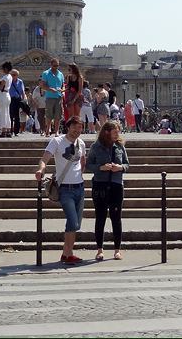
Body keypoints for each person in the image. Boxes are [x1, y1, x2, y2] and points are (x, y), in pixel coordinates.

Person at [35, 116, 87, 264]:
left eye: (80, 128)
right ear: (68, 127)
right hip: (65, 189)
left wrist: (78, 175)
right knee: (72, 220)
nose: (77, 131)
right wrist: (41, 170)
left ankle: (66, 253)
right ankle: (68, 254)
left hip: (79, 187)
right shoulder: (57, 141)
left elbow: (83, 161)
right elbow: (44, 159)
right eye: (75, 127)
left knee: (76, 223)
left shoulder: (81, 143)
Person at [86, 120, 129, 261]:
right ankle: (99, 250)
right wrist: (101, 167)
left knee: (116, 218)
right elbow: (88, 165)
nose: (117, 134)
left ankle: (117, 250)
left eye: (118, 131)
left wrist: (120, 167)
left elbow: (127, 164)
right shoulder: (96, 147)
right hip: (100, 185)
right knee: (100, 217)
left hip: (116, 184)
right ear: (106, 132)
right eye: (115, 131)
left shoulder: (119, 147)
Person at [41, 58, 64, 137]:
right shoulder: (46, 73)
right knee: (49, 115)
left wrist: (63, 90)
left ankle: (56, 131)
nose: (56, 67)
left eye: (57, 66)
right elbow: (43, 86)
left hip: (58, 96)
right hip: (49, 97)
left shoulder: (60, 74)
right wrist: (50, 89)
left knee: (58, 114)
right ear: (51, 65)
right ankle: (48, 130)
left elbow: (63, 85)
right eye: (54, 66)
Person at [0, 61, 13, 138]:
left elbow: (0, 87)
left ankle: (3, 130)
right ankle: (8, 130)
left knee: (2, 114)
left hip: (3, 95)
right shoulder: (10, 76)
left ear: (5, 69)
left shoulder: (5, 77)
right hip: (7, 95)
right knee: (7, 113)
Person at [9, 69, 25, 136]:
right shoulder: (8, 81)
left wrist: (23, 100)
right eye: (11, 74)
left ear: (17, 75)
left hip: (17, 99)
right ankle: (10, 130)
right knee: (10, 116)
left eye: (14, 75)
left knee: (17, 116)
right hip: (10, 99)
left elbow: (22, 92)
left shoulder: (20, 82)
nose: (12, 76)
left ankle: (16, 131)